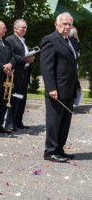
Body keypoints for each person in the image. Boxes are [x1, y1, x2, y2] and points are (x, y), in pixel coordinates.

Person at [41, 12, 80, 162]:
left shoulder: (72, 41)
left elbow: (73, 66)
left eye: (70, 24)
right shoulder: (50, 40)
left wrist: (76, 84)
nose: (67, 26)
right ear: (56, 24)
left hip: (69, 88)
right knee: (54, 121)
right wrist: (51, 88)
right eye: (64, 23)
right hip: (56, 88)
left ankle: (59, 149)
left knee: (65, 121)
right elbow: (46, 66)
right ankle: (50, 151)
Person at [4, 19, 35, 131]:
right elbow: (11, 55)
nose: (24, 29)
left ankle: (18, 121)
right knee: (15, 98)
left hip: (24, 73)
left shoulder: (23, 41)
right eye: (22, 27)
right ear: (15, 28)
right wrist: (25, 59)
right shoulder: (10, 40)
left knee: (22, 99)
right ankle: (10, 123)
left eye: (25, 27)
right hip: (16, 73)